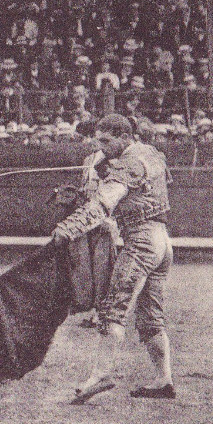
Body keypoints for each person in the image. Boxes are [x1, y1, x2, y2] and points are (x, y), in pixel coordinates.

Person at [50, 113, 175, 403]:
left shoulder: (129, 163)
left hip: (141, 243)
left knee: (112, 310)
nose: (101, 147)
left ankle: (101, 374)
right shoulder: (151, 154)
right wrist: (89, 186)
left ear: (124, 137)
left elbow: (103, 204)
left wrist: (68, 228)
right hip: (162, 242)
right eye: (98, 141)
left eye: (107, 141)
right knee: (150, 316)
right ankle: (163, 380)